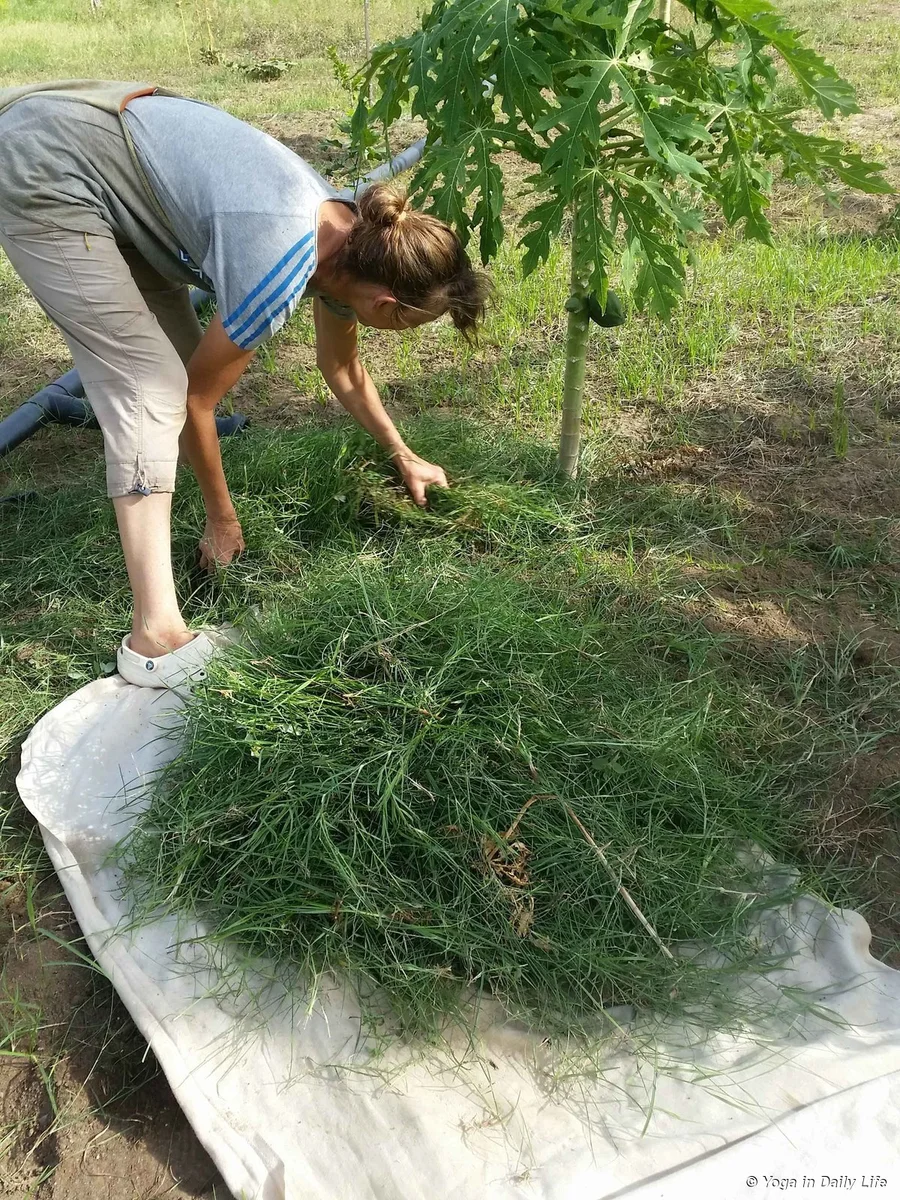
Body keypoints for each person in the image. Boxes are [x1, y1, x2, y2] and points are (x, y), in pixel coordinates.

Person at [0, 81, 490, 688]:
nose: (399, 331)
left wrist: (404, 454)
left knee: (179, 370)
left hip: (117, 172)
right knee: (150, 388)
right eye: (407, 323)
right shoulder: (282, 262)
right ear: (387, 302)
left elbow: (342, 371)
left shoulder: (349, 244)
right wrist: (222, 518)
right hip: (50, 161)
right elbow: (194, 400)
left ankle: (156, 547)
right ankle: (154, 636)